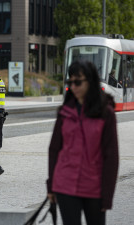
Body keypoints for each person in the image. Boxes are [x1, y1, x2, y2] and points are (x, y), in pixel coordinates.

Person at [47, 60, 119, 225]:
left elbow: (111, 156)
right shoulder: (65, 112)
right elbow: (54, 150)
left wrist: (107, 196)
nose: (73, 87)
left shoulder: (105, 113)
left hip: (94, 186)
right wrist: (51, 185)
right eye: (70, 82)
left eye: (78, 82)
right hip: (65, 184)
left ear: (90, 81)